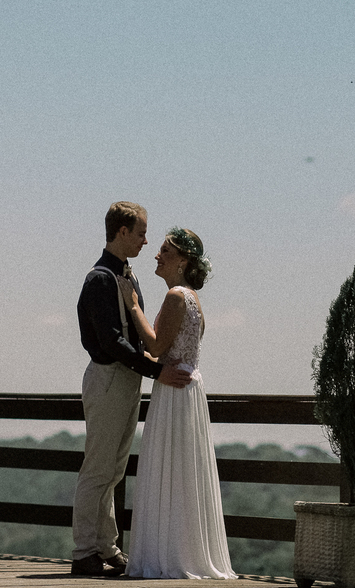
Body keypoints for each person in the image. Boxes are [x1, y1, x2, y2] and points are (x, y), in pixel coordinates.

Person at [72, 202, 192, 578]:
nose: (146, 240)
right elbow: (110, 341)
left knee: (114, 470)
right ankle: (83, 552)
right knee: (98, 468)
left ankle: (106, 547)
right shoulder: (100, 278)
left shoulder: (127, 275)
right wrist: (156, 371)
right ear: (122, 232)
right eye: (141, 233)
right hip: (109, 377)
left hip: (126, 379)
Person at [118, 227, 237, 579]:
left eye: (165, 251)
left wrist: (133, 306)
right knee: (184, 472)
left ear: (182, 260)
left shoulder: (175, 297)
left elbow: (156, 347)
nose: (157, 255)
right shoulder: (194, 298)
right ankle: (184, 551)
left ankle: (168, 555)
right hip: (189, 390)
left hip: (173, 390)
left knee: (168, 469)